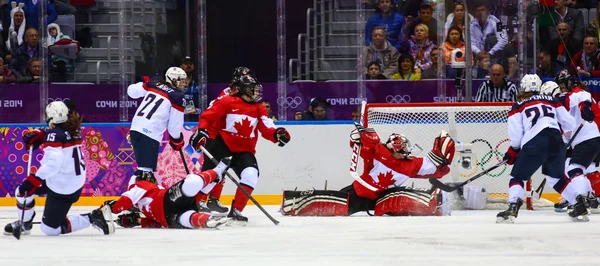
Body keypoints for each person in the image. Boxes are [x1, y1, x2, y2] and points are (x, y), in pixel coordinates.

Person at [189, 72, 291, 225]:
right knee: (213, 178)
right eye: (253, 89)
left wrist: (277, 134)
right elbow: (207, 117)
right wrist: (202, 130)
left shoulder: (259, 108)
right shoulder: (226, 101)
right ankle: (191, 206)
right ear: (244, 89)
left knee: (251, 174)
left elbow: (267, 128)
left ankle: (236, 210)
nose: (256, 92)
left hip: (244, 151)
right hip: (222, 146)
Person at [281, 128, 454, 217]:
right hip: (359, 193)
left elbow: (436, 169)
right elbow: (357, 144)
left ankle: (433, 203)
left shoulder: (411, 164)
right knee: (335, 204)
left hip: (382, 198)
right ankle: (293, 203)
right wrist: (357, 137)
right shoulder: (377, 151)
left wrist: (444, 158)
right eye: (404, 148)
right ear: (396, 147)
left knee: (400, 195)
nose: (408, 152)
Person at [4, 101, 114, 236]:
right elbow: (58, 135)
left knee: (49, 229)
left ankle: (92, 217)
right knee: (21, 191)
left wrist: (34, 179)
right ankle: (25, 224)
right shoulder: (72, 129)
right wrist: (42, 134)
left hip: (62, 187)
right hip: (68, 181)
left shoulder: (56, 135)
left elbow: (53, 164)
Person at [497, 74, 583, 223]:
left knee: (518, 177)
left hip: (535, 141)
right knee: (556, 177)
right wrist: (556, 134)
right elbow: (569, 123)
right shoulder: (552, 100)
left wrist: (513, 150)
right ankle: (579, 203)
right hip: (556, 139)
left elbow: (516, 134)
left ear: (523, 88)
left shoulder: (519, 105)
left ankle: (512, 206)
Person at [103, 158, 233, 229]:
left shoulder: (142, 207)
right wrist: (113, 208)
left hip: (167, 219)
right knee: (190, 183)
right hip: (166, 200)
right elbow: (126, 200)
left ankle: (206, 220)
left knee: (186, 219)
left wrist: (138, 220)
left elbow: (154, 223)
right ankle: (217, 172)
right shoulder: (140, 186)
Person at [198, 66, 258, 214]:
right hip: (215, 134)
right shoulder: (227, 95)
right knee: (213, 169)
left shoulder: (241, 95)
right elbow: (212, 114)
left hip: (223, 135)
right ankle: (198, 200)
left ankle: (213, 200)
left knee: (221, 170)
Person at [127, 67, 187, 185]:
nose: (184, 83)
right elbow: (174, 126)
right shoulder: (177, 97)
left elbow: (131, 91)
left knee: (144, 170)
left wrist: (145, 84)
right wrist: (177, 139)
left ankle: (135, 199)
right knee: (144, 172)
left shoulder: (153, 84)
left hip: (135, 129)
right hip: (149, 134)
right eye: (180, 80)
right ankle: (130, 199)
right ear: (172, 79)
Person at [553, 70, 600, 215]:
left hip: (588, 137)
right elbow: (567, 124)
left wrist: (585, 109)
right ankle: (591, 196)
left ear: (569, 82)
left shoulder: (578, 93)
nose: (561, 88)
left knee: (574, 169)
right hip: (590, 138)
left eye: (563, 84)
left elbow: (583, 102)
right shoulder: (569, 96)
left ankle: (581, 200)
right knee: (585, 168)